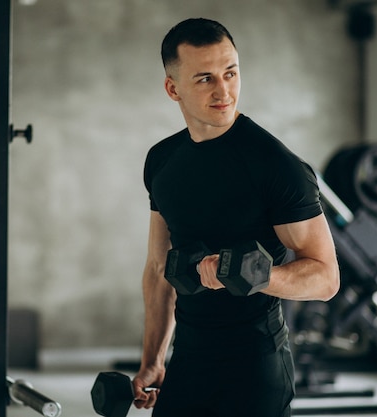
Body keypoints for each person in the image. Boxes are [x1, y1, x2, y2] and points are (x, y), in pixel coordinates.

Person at [132, 18, 340, 417]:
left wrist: (257, 275)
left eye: (230, 73)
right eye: (205, 79)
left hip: (255, 364)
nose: (224, 91)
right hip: (188, 357)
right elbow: (159, 267)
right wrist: (154, 359)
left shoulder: (277, 167)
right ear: (172, 88)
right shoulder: (161, 161)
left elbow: (326, 278)